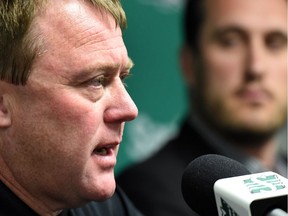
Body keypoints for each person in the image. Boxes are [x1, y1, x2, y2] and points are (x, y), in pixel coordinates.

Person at [117, 0, 287, 215]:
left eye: (274, 43)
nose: (256, 67)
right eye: (230, 42)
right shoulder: (145, 194)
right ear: (189, 63)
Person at [0, 0, 143, 215]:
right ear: (2, 105)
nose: (129, 109)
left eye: (122, 78)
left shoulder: (104, 208)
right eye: (96, 81)